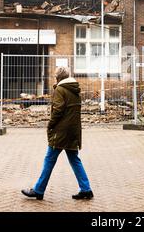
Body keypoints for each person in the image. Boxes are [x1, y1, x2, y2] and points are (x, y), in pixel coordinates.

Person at [21, 67, 93, 201]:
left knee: (49, 159)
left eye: (55, 76)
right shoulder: (75, 90)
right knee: (74, 160)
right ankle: (86, 189)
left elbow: (58, 110)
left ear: (58, 77)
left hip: (61, 132)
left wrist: (51, 124)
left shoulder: (60, 89)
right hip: (73, 130)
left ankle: (38, 190)